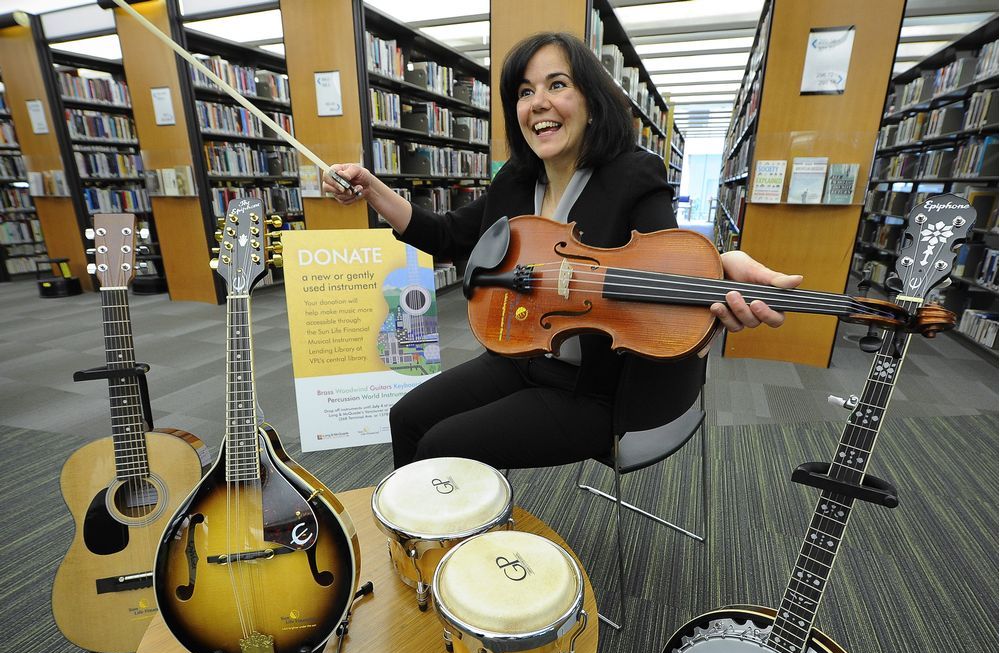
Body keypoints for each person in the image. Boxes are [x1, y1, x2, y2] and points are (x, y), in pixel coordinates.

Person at [323, 32, 802, 470]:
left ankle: (450, 554)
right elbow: (447, 236)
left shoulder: (634, 175)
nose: (538, 103)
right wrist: (372, 190)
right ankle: (420, 547)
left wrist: (717, 269)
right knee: (406, 416)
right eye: (525, 92)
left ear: (591, 100)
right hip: (517, 357)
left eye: (557, 85)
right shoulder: (514, 180)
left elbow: (664, 259)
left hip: (591, 390)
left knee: (439, 446)